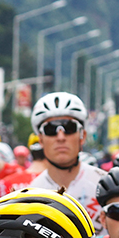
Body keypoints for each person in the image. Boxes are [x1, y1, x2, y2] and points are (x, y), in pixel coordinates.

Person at [29, 92, 106, 222]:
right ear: (40, 140)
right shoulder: (31, 193)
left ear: (83, 136)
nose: (61, 137)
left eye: (69, 127)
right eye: (51, 129)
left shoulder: (104, 184)